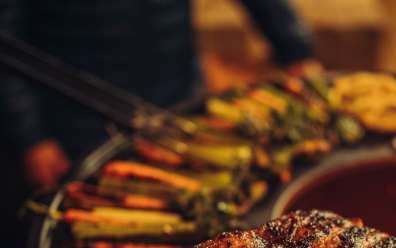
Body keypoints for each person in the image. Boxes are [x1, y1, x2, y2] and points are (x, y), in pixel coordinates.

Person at [0, 0, 319, 192]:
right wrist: (30, 137)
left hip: (178, 103)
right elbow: (6, 39)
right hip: (77, 121)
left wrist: (294, 48)